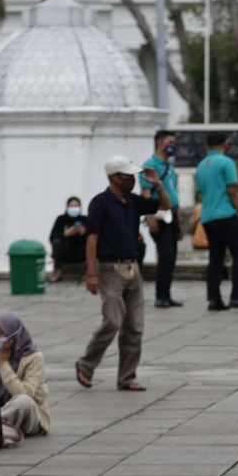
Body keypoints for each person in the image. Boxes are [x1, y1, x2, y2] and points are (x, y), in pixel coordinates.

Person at [75, 156, 171, 391]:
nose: (132, 180)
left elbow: (166, 206)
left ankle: (127, 376)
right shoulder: (101, 203)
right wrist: (91, 273)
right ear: (114, 178)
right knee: (113, 321)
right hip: (109, 269)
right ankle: (86, 365)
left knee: (134, 327)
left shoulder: (133, 201)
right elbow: (92, 239)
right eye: (127, 176)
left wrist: (157, 183)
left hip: (133, 268)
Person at [196, 132, 238, 312]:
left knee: (216, 257)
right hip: (225, 214)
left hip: (207, 217)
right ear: (225, 143)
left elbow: (201, 191)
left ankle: (214, 300)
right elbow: (233, 191)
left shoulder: (200, 165)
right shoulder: (226, 162)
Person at [0, 313, 51, 437]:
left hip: (31, 417)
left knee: (24, 401)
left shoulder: (33, 358)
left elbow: (25, 392)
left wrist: (3, 364)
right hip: (1, 411)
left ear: (13, 334)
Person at [139, 129, 182, 308]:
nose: (172, 146)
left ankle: (167, 294)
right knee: (165, 254)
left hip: (172, 215)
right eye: (169, 142)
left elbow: (173, 194)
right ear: (160, 143)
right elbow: (146, 193)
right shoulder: (150, 165)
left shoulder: (169, 167)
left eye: (173, 143)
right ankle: (160, 296)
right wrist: (150, 218)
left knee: (171, 257)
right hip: (158, 216)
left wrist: (179, 223)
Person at [48, 197, 88, 282]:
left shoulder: (84, 219)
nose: (74, 208)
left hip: (80, 252)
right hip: (65, 251)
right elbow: (52, 237)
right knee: (57, 242)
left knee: (90, 242)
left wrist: (83, 232)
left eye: (76, 206)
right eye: (71, 206)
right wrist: (65, 234)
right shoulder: (61, 219)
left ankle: (89, 272)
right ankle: (58, 271)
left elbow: (93, 235)